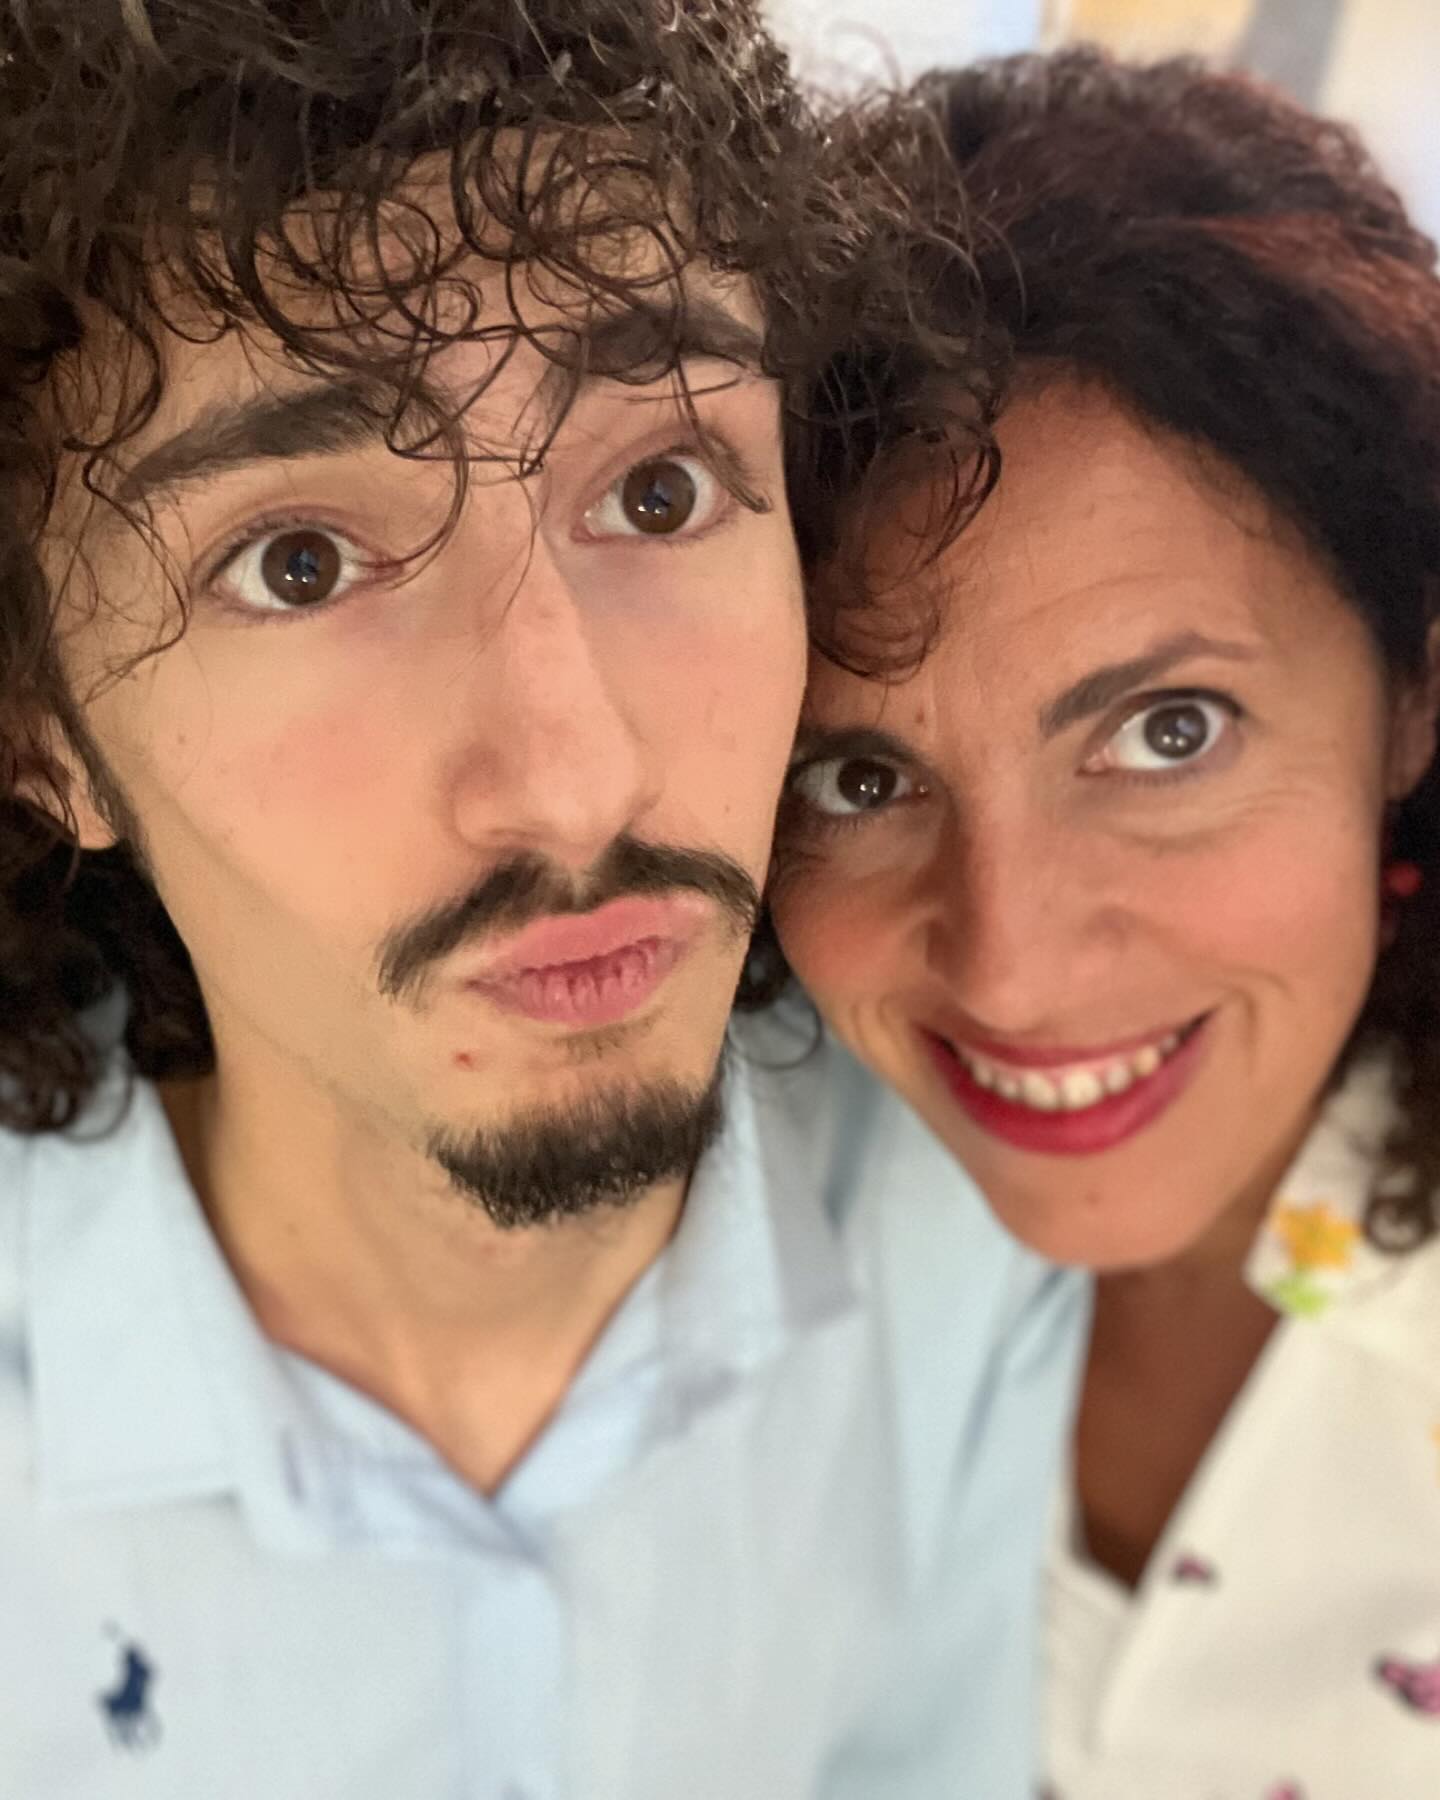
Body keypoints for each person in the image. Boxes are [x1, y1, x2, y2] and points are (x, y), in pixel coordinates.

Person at [0, 5, 1086, 1797]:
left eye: (660, 491)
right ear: (40, 730)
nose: (577, 782)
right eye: (300, 563)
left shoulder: (963, 1238)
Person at [774, 48, 1440, 1800]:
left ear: (1413, 693)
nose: (1010, 966)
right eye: (858, 778)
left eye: (1168, 734)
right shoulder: (744, 1234)